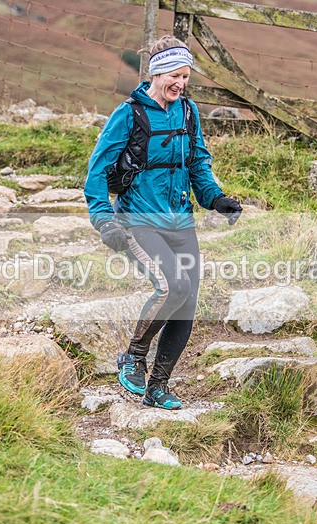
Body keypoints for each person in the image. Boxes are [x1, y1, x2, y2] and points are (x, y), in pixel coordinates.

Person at [84, 35, 242, 410]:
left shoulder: (188, 112)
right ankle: (133, 357)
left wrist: (215, 198)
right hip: (137, 220)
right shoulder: (129, 114)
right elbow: (97, 171)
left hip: (179, 221)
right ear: (156, 73)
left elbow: (198, 163)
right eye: (175, 75)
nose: (180, 84)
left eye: (186, 77)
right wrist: (104, 220)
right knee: (174, 285)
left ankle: (158, 386)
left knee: (188, 302)